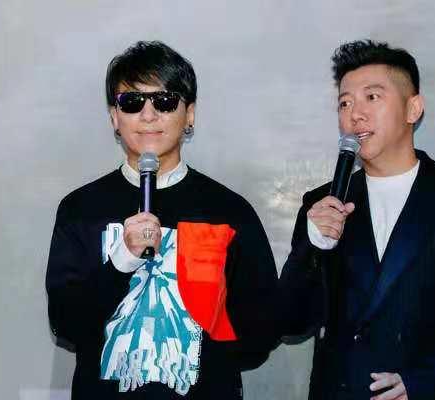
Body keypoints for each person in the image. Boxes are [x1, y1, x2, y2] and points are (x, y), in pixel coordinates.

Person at [279, 39, 435, 400]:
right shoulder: (323, 204)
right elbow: (291, 321)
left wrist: (422, 383)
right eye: (345, 103)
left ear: (413, 109)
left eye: (372, 97)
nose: (355, 114)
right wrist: (312, 248)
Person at [46, 40, 278, 400]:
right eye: (132, 102)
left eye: (165, 101)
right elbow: (65, 323)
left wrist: (208, 355)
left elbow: (261, 332)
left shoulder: (228, 211)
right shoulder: (80, 208)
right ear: (114, 117)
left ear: (190, 114)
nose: (148, 115)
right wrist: (121, 260)